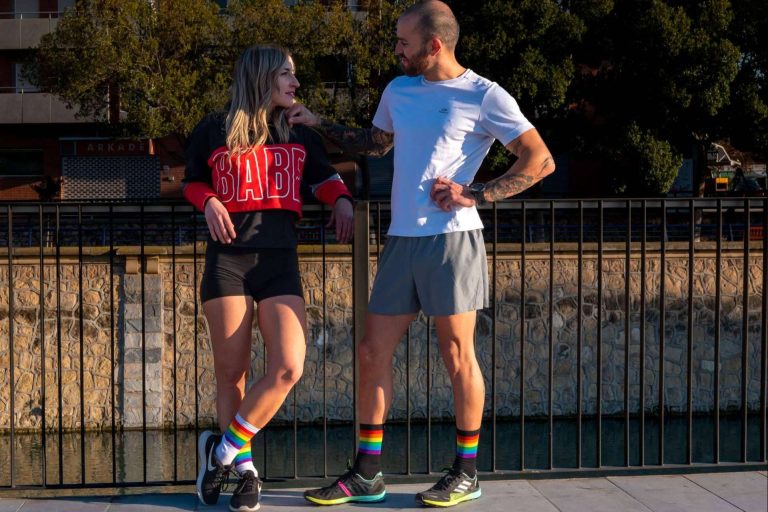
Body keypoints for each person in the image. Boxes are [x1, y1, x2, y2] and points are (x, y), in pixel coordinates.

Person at [287, 0, 555, 508]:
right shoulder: (398, 89)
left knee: (457, 354)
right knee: (371, 351)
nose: (396, 50)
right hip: (401, 239)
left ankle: (467, 472)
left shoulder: (484, 95)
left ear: (434, 44)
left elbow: (540, 160)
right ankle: (366, 473)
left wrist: (475, 194)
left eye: (403, 41)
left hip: (452, 239)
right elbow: (376, 142)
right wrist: (316, 121)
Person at [183, 44, 354, 512]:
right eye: (287, 75)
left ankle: (218, 452)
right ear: (261, 77)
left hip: (279, 261)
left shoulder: (297, 130)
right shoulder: (214, 128)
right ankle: (244, 472)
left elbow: (324, 179)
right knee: (232, 371)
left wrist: (341, 199)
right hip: (227, 261)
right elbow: (192, 180)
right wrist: (210, 201)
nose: (295, 84)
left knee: (288, 366)